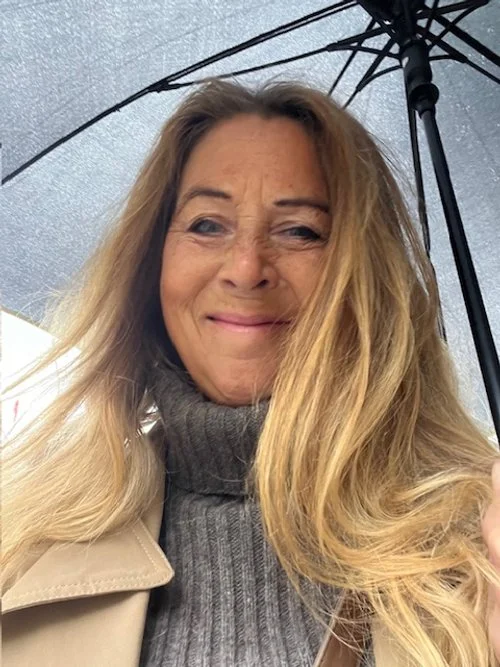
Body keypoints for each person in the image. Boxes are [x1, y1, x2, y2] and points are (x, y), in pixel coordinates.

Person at [2, 78, 500, 667]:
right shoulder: (20, 544)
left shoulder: (479, 549)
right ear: (152, 261)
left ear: (367, 278)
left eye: (300, 231)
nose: (245, 269)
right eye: (207, 224)